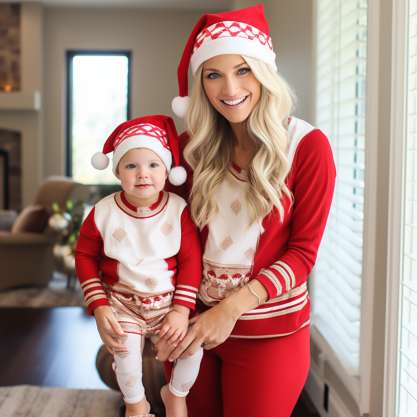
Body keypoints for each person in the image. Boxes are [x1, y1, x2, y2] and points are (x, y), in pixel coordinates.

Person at [155, 4, 336, 417]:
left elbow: (303, 255)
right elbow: (166, 240)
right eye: (213, 74)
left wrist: (229, 310)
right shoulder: (189, 150)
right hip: (193, 328)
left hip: (270, 335)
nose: (229, 88)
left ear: (265, 73)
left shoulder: (307, 147)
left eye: (243, 70)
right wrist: (158, 312)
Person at [75, 115, 203, 417]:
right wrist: (100, 306)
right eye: (132, 165)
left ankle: (174, 394)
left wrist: (182, 311)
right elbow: (83, 256)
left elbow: (190, 260)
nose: (143, 174)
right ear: (118, 170)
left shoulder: (178, 210)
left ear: (167, 171)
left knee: (192, 350)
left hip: (169, 306)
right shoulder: (103, 212)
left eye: (153, 165)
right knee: (125, 355)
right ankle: (136, 403)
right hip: (123, 304)